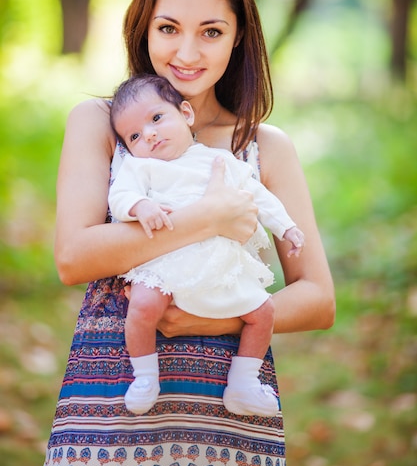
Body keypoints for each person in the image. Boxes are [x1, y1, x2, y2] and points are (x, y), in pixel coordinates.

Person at [40, 0, 335, 466]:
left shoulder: (265, 147)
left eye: (212, 32)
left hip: (228, 421)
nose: (188, 54)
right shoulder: (104, 126)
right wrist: (210, 217)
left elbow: (318, 298)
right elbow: (73, 257)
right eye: (169, 28)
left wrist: (212, 316)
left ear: (238, 36)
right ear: (143, 28)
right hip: (106, 418)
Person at [108, 74, 305, 417]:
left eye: (156, 119)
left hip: (217, 263)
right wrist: (141, 206)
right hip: (166, 259)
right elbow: (120, 195)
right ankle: (144, 376)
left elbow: (258, 195)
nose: (149, 134)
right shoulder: (142, 167)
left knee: (263, 313)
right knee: (142, 303)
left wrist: (286, 226)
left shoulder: (220, 160)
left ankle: (243, 382)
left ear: (185, 113)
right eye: (135, 135)